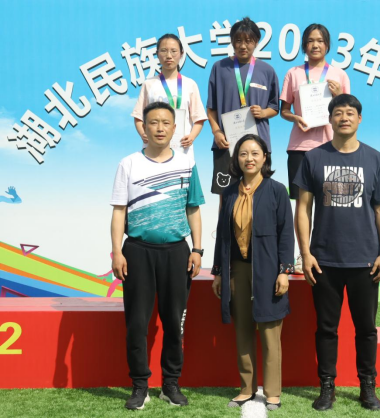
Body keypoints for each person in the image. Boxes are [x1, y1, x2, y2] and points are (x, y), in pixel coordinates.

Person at [294, 94, 380, 411]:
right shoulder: (314, 158)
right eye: (338, 113)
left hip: (366, 261)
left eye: (350, 113)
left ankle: (368, 387)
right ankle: (327, 387)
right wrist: (306, 253)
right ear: (330, 119)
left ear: (359, 119)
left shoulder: (375, 159)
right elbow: (303, 209)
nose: (344, 118)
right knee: (326, 329)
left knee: (366, 329)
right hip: (324, 261)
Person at [111, 102, 205, 410]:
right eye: (153, 122)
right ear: (144, 127)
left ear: (175, 128)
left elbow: (193, 208)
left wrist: (197, 249)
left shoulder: (187, 164)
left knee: (174, 323)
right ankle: (140, 385)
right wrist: (117, 251)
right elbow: (119, 211)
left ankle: (170, 384)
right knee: (137, 323)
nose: (160, 128)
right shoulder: (128, 164)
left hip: (176, 252)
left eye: (166, 122)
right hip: (137, 251)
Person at [211, 134, 294, 411]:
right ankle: (246, 389)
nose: (249, 158)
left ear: (265, 158)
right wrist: (219, 272)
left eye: (255, 153)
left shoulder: (277, 190)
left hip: (269, 270)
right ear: (236, 159)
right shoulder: (229, 193)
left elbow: (286, 233)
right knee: (243, 331)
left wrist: (284, 271)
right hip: (238, 270)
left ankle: (272, 392)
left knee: (270, 334)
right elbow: (223, 235)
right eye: (243, 153)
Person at [280, 24, 350, 272]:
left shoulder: (339, 75)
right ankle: (303, 255)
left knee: (331, 203)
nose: (315, 45)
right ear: (304, 46)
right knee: (303, 204)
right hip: (300, 147)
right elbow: (284, 110)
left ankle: (329, 253)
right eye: (310, 41)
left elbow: (347, 111)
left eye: (320, 40)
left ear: (327, 45)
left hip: (332, 147)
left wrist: (338, 95)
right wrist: (295, 118)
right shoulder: (294, 73)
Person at [207, 17, 280, 200]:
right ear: (232, 42)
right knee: (226, 197)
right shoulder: (219, 68)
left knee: (258, 196)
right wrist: (216, 132)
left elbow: (274, 107)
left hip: (258, 144)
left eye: (248, 41)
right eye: (238, 40)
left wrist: (263, 112)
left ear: (256, 42)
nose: (243, 46)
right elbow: (211, 108)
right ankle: (225, 222)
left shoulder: (267, 71)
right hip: (226, 143)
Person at [131, 34, 207, 161]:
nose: (169, 56)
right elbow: (138, 116)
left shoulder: (190, 84)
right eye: (164, 51)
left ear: (181, 54)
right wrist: (143, 134)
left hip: (182, 150)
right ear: (157, 54)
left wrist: (192, 136)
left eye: (173, 51)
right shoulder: (148, 84)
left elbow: (199, 118)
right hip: (153, 151)